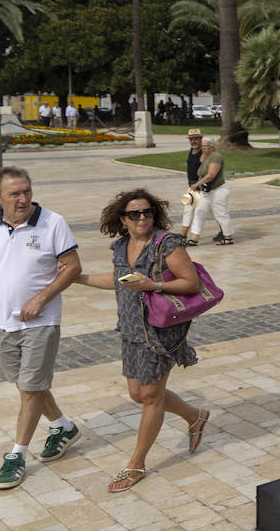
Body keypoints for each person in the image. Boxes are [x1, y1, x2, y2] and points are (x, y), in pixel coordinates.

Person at [77, 189, 210, 491]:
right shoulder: (121, 247)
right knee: (139, 394)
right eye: (134, 214)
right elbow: (116, 281)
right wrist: (78, 278)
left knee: (150, 397)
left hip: (159, 332)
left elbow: (192, 283)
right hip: (131, 331)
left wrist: (154, 285)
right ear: (123, 219)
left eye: (147, 212)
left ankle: (136, 463)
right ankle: (195, 415)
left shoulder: (167, 244)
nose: (142, 218)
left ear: (154, 214)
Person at [0, 166, 83, 490]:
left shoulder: (53, 223)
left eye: (27, 191)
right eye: (14, 194)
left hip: (41, 320)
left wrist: (42, 299)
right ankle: (63, 426)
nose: (23, 199)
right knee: (26, 385)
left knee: (31, 387)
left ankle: (17, 455)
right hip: (1, 321)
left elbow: (73, 267)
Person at [188, 138, 233, 246]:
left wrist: (196, 185)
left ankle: (228, 237)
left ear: (212, 147)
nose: (202, 148)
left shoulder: (216, 157)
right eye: (202, 146)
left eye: (205, 146)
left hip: (218, 190)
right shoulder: (205, 156)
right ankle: (194, 238)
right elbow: (201, 167)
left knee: (220, 214)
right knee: (199, 212)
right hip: (206, 192)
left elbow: (211, 175)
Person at [178, 128, 205, 243]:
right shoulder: (191, 150)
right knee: (188, 209)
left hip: (203, 188)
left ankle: (224, 232)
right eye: (191, 139)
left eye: (196, 139)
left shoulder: (204, 152)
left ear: (200, 139)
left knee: (215, 212)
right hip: (192, 187)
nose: (193, 141)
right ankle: (183, 234)